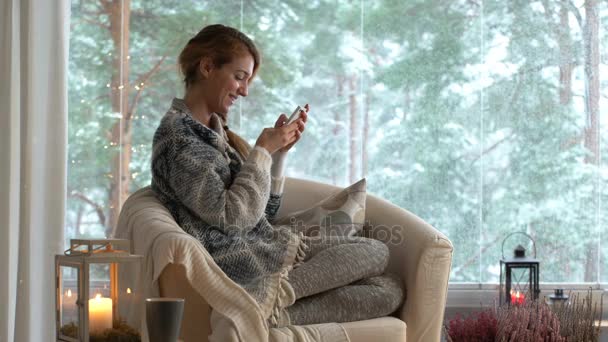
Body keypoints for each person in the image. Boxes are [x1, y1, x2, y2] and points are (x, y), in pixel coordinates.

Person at [151, 24, 404, 328]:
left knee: (387, 289)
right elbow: (233, 219)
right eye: (239, 77)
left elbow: (263, 214)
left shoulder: (211, 133)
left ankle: (268, 312)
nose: (244, 91)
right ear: (207, 66)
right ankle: (264, 298)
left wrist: (277, 155)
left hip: (261, 246)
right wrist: (260, 151)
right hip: (241, 261)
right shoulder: (180, 141)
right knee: (374, 249)